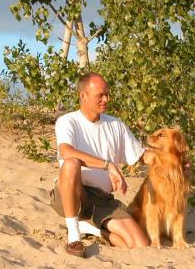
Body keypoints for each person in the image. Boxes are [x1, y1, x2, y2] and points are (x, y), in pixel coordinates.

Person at [51, 72, 151, 258]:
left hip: (101, 200)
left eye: (107, 94)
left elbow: (142, 156)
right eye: (100, 95)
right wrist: (108, 165)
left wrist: (175, 160)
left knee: (139, 244)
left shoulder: (116, 125)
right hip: (73, 193)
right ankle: (74, 236)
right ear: (83, 96)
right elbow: (66, 152)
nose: (106, 99)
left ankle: (93, 230)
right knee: (71, 163)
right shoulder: (67, 121)